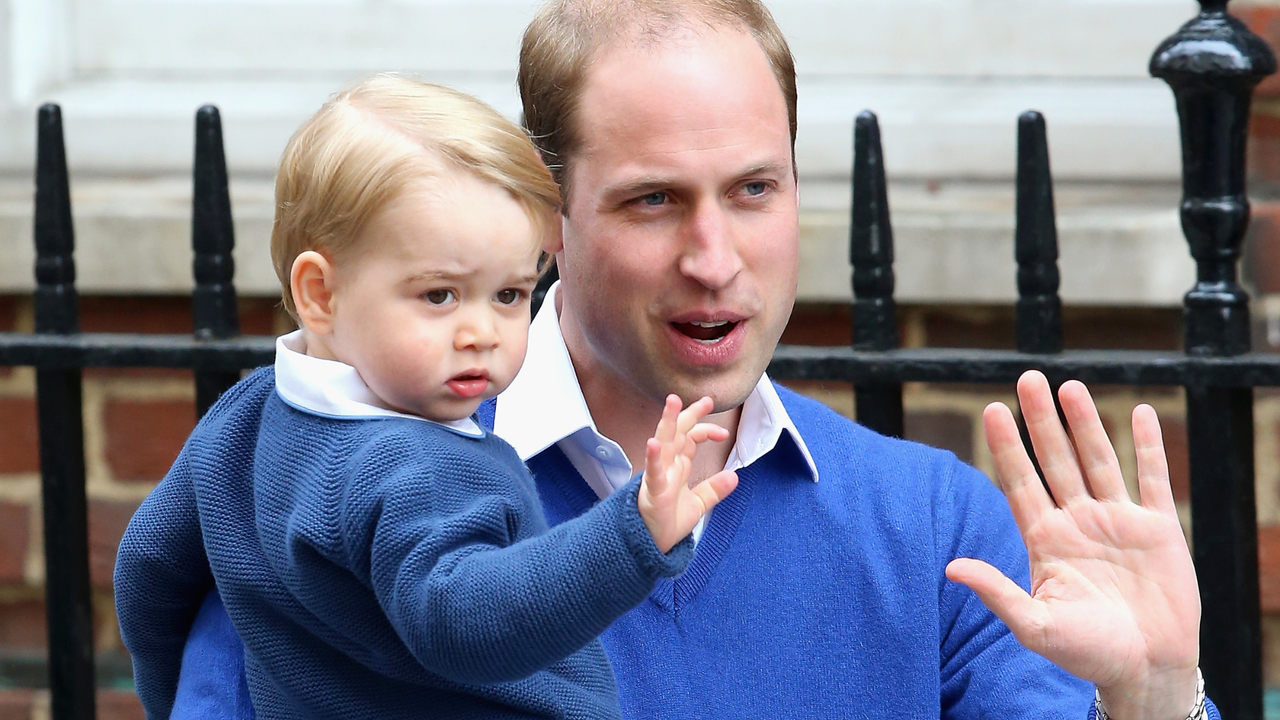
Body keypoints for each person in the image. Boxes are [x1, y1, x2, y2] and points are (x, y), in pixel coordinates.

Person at [165, 1, 1211, 719]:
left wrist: (1158, 695)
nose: (712, 260)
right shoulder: (316, 490)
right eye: (652, 199)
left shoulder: (933, 526)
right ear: (550, 221)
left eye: (753, 189)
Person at [112, 75, 741, 720]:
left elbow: (148, 573)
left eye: (509, 295)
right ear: (321, 294)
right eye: (439, 295)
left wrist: (173, 699)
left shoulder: (243, 419)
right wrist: (632, 533)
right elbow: (464, 622)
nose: (481, 335)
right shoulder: (413, 468)